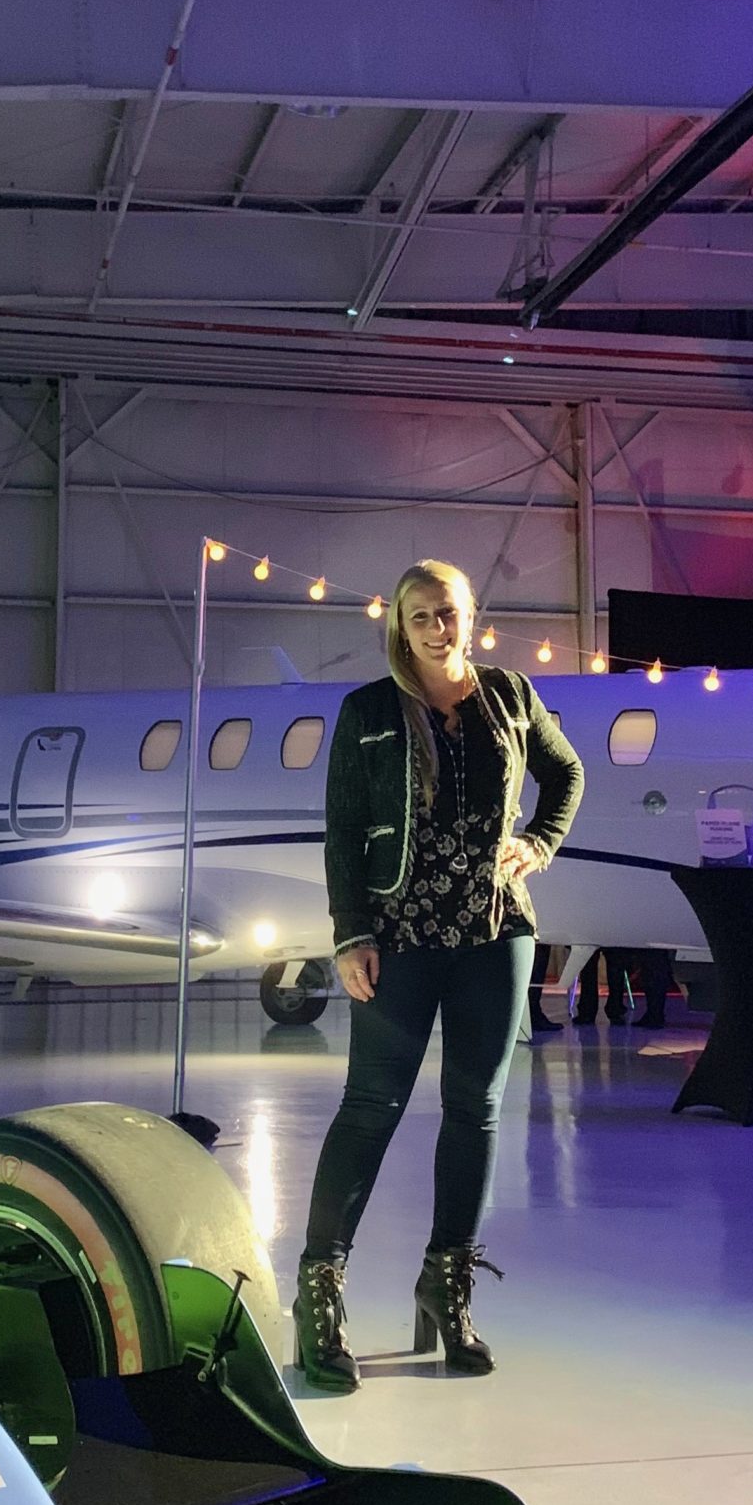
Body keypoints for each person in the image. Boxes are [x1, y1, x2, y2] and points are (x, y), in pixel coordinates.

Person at [294, 560, 584, 1392]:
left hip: (496, 930)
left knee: (476, 1111)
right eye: (420, 615)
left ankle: (447, 1287)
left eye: (447, 612)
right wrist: (351, 935)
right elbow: (343, 830)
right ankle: (319, 1294)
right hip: (401, 934)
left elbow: (566, 772)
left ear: (469, 615)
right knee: (370, 1108)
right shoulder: (369, 710)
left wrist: (540, 843)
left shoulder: (509, 695)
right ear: (400, 623)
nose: (435, 628)